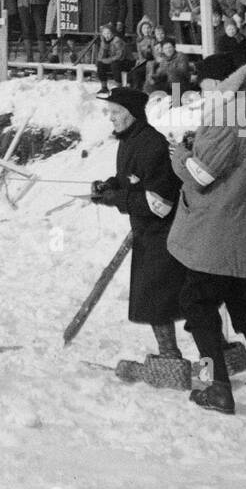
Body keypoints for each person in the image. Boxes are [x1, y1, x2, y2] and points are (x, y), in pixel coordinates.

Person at [166, 55, 246, 415]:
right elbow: (241, 156)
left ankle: (214, 386)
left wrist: (180, 153)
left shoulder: (229, 113)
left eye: (204, 85)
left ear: (218, 82)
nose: (200, 93)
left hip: (219, 231)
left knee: (198, 308)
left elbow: (200, 175)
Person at [91, 87, 187, 371]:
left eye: (116, 113)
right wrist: (110, 185)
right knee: (165, 296)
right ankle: (198, 354)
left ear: (132, 114)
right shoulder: (130, 140)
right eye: (110, 112)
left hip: (166, 232)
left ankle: (177, 358)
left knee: (165, 297)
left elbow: (159, 202)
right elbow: (133, 180)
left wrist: (116, 198)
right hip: (149, 232)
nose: (111, 118)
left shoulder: (152, 144)